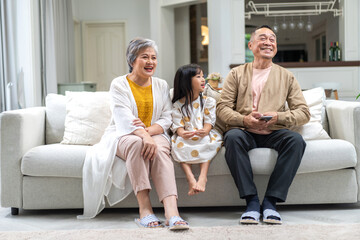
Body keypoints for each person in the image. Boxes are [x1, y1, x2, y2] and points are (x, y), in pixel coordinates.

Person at [79, 37, 189, 231]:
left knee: (161, 149)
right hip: (123, 134)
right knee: (137, 144)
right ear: (132, 61)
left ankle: (172, 213)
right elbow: (124, 120)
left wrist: (148, 132)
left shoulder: (161, 85)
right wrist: (144, 136)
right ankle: (144, 210)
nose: (150, 62)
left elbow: (166, 118)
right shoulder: (119, 84)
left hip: (154, 132)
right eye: (144, 57)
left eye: (154, 57)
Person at [216, 25, 310, 225]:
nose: (268, 42)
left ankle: (270, 202)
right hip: (244, 130)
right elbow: (222, 108)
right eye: (263, 38)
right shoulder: (236, 74)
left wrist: (278, 117)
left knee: (296, 141)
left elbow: (303, 113)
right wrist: (244, 120)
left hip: (274, 131)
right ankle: (251, 202)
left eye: (272, 39)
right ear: (251, 45)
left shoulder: (286, 76)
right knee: (232, 137)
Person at [171, 64, 223, 196]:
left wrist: (205, 130)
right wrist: (182, 133)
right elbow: (177, 125)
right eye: (198, 76)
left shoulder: (208, 101)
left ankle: (202, 177)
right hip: (186, 135)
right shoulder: (177, 104)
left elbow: (209, 121)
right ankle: (190, 178)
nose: (203, 79)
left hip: (204, 133)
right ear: (186, 81)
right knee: (177, 146)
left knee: (206, 141)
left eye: (203, 76)